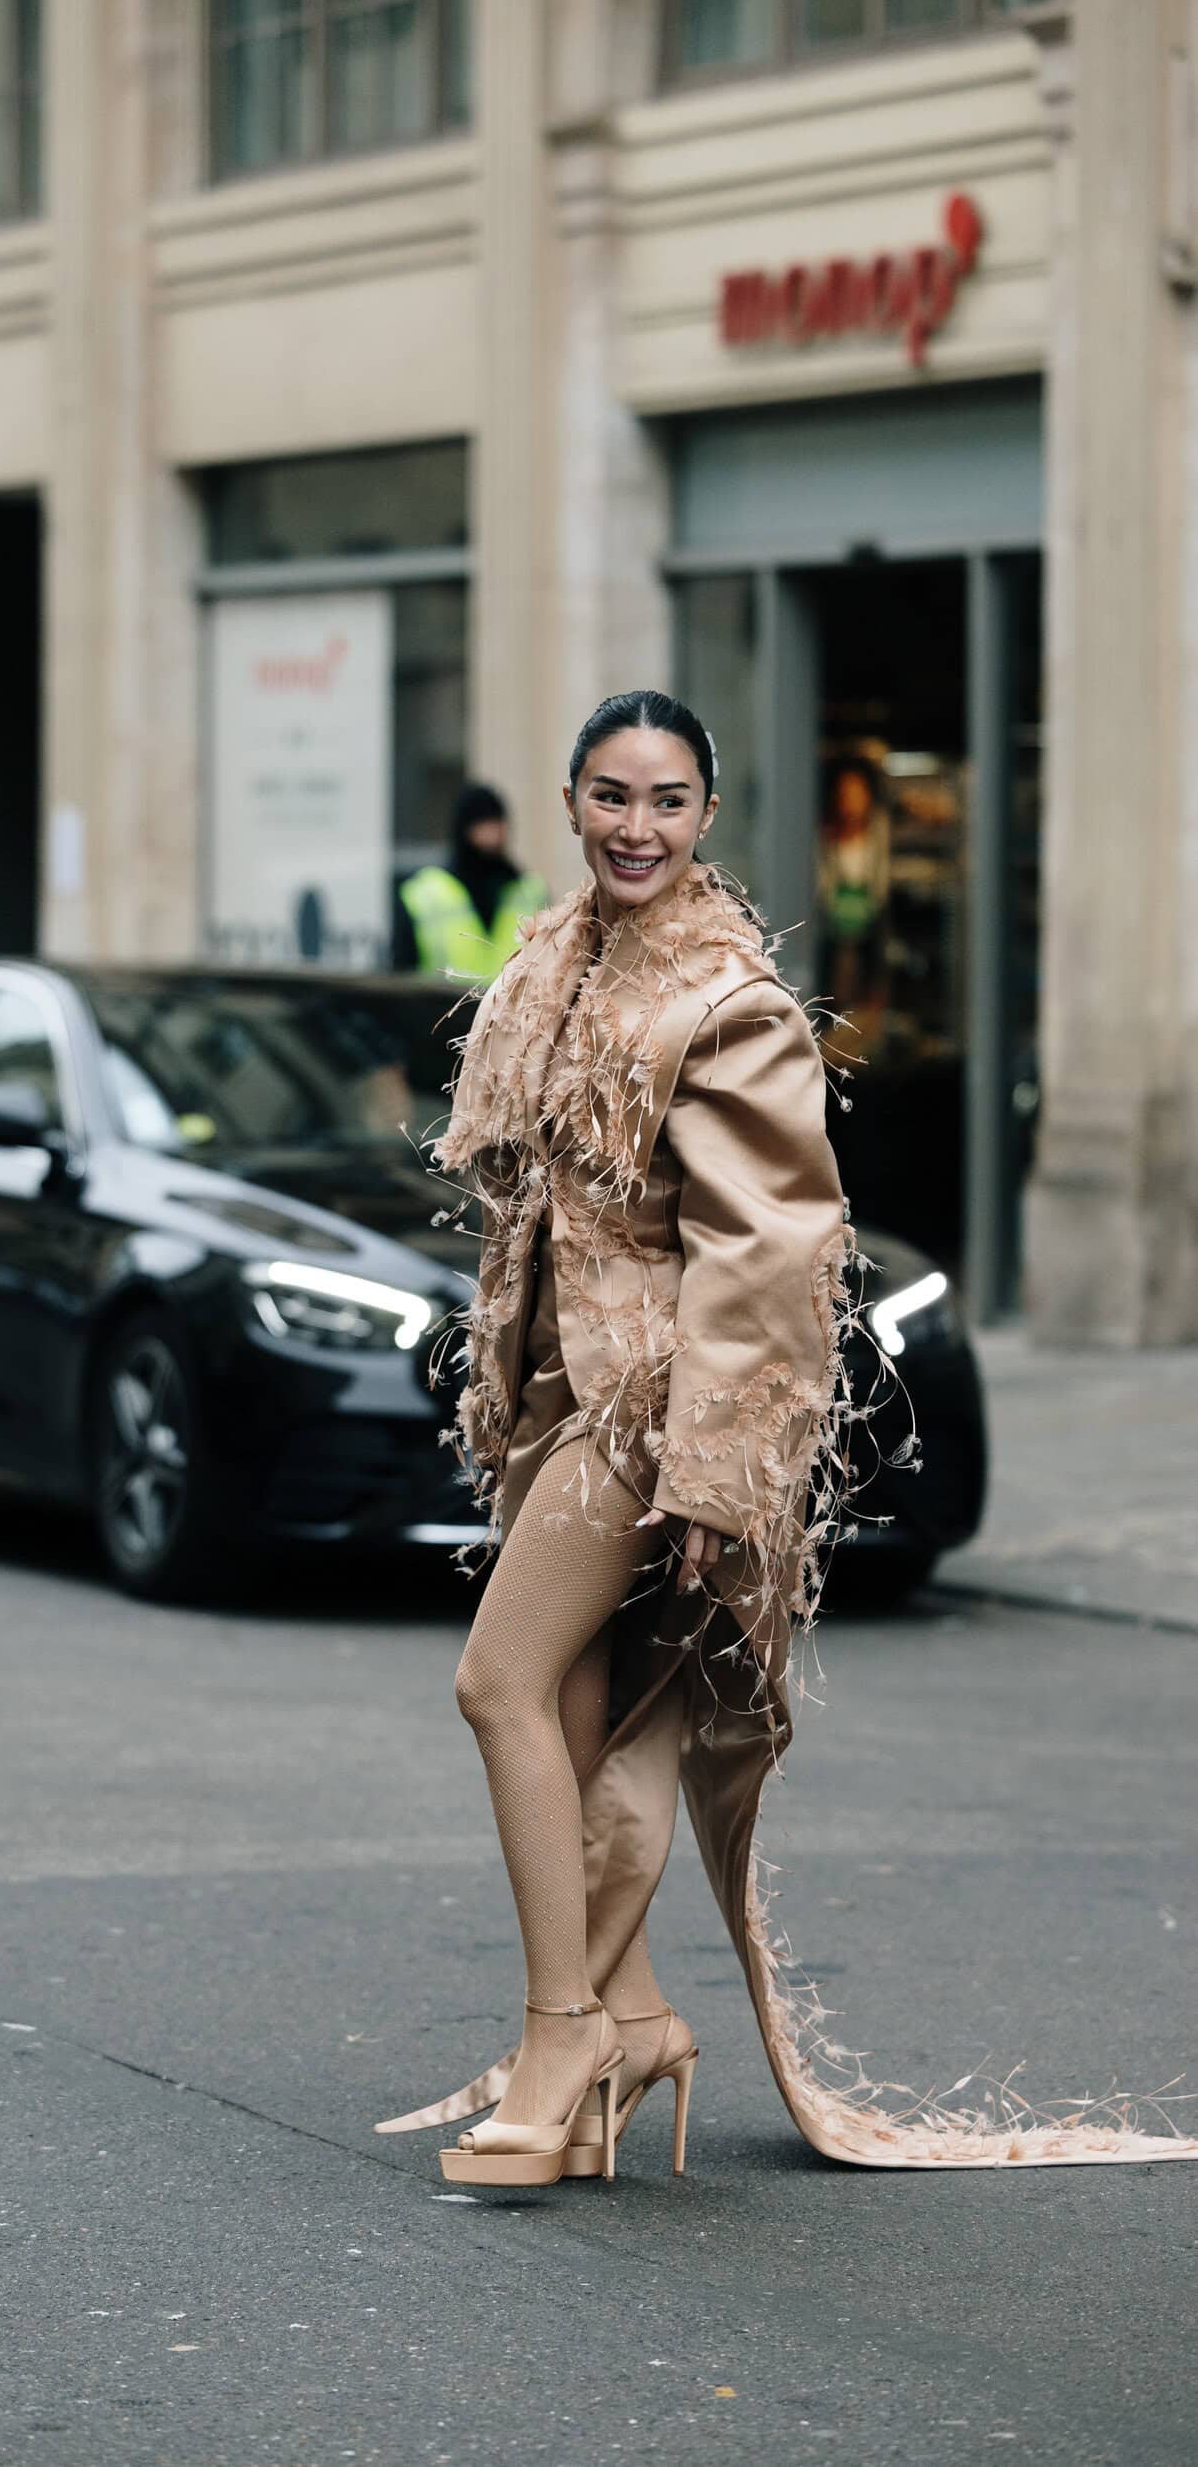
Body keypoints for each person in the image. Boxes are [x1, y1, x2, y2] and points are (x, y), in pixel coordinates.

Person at [379, 689, 1198, 2181]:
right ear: (571, 804)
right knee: (567, 1709)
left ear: (704, 817)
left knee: (495, 1684)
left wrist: (713, 1467)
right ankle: (630, 2021)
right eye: (612, 797)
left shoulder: (725, 1001)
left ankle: (558, 2023)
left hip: (647, 1405)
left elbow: (766, 1253)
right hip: (563, 1390)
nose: (638, 827)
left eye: (669, 801)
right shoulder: (549, 968)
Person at [392, 785, 549, 979]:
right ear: (464, 829)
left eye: (496, 823)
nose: (492, 836)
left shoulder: (529, 890)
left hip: (516, 1008)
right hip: (443, 1008)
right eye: (482, 824)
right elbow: (402, 977)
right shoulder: (423, 894)